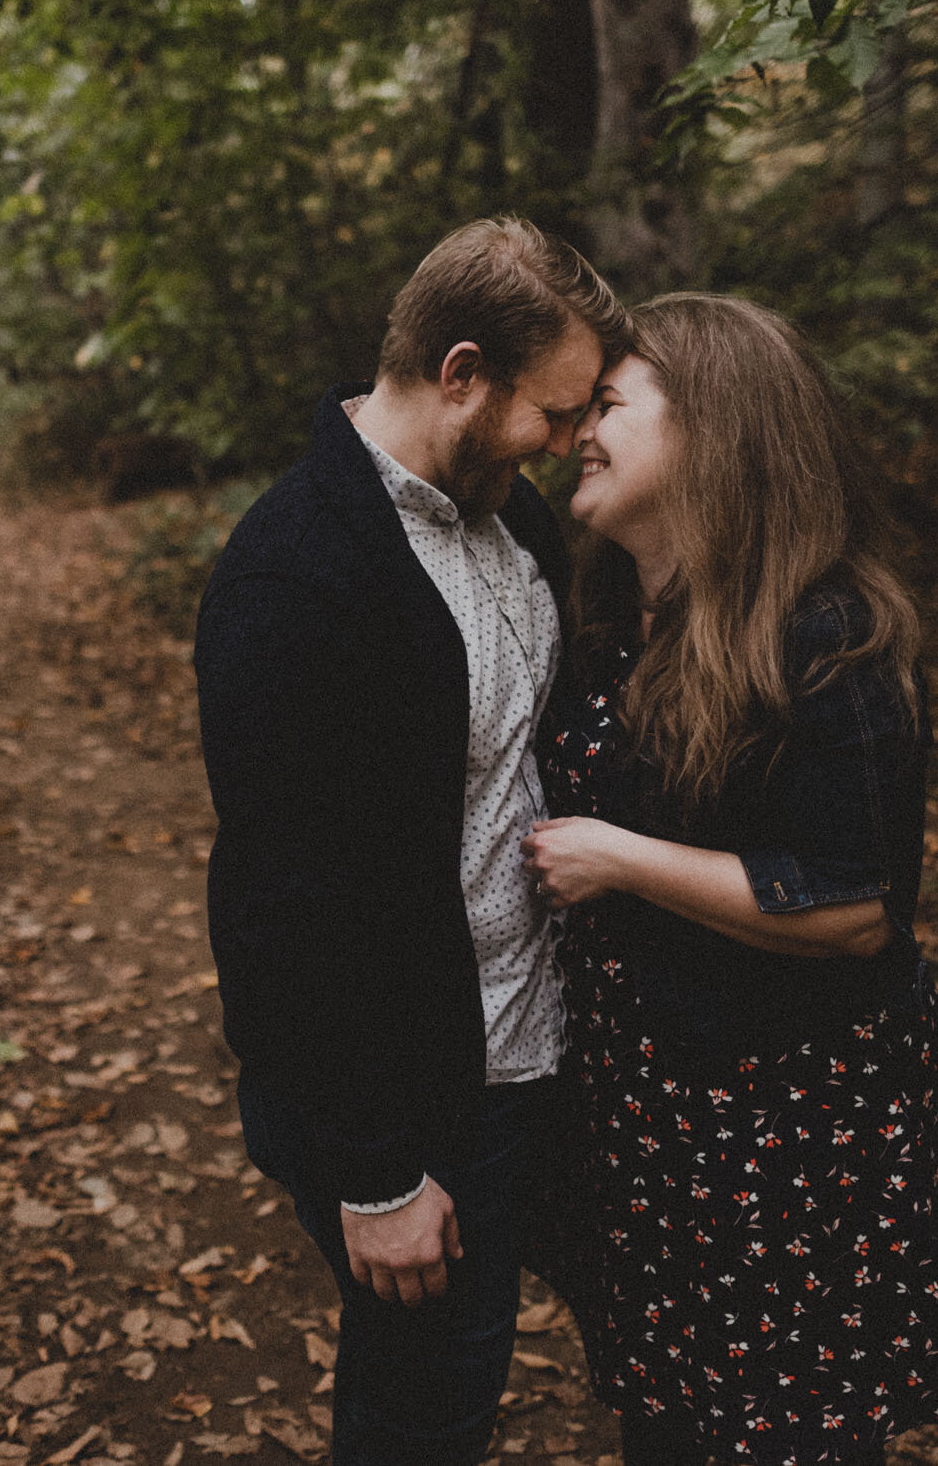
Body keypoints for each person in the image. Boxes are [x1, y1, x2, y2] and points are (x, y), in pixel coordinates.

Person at [522, 293, 938, 1466]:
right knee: (668, 1430)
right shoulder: (607, 617)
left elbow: (849, 911)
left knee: (787, 1440)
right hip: (655, 1118)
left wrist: (618, 858)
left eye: (610, 406)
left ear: (713, 432)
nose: (580, 428)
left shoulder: (828, 638)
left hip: (795, 1132)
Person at [195, 217, 624, 1466]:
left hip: (552, 1039)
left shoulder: (516, 521)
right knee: (425, 1413)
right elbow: (282, 908)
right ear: (460, 375)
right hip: (427, 1092)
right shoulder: (293, 577)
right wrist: (376, 1174)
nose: (567, 436)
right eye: (552, 409)